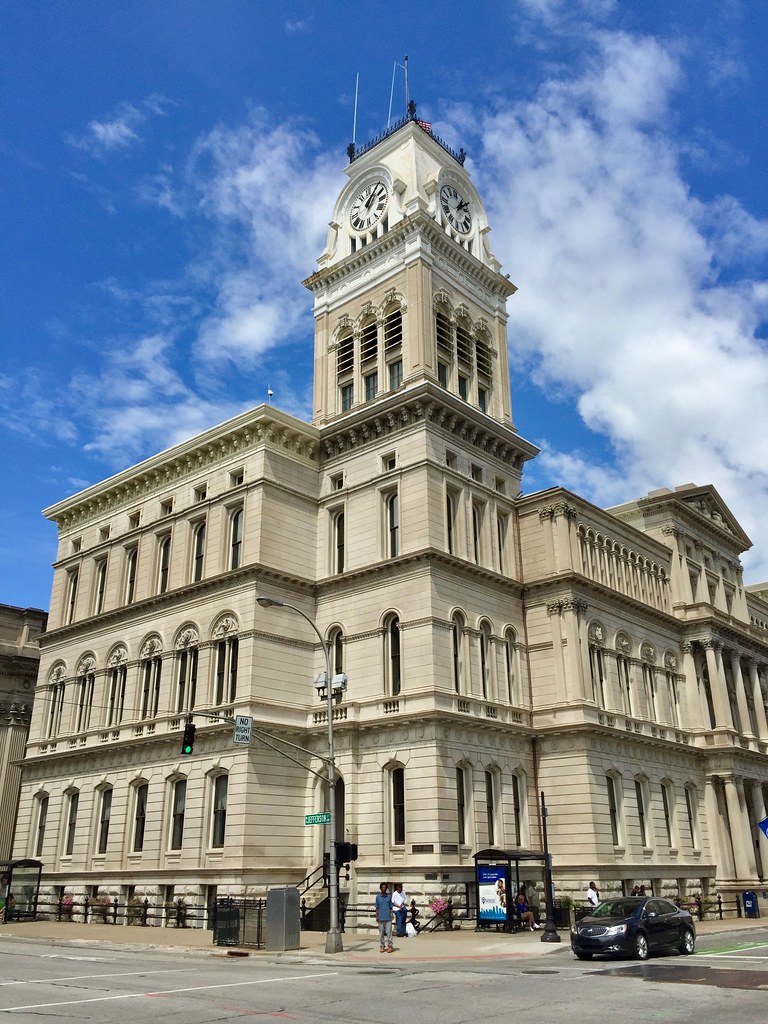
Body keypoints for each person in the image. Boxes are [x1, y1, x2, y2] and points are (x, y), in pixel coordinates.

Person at [374, 881, 394, 952]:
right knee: (381, 933)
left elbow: (391, 907)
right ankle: (382, 946)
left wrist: (392, 914)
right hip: (381, 917)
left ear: (386, 888)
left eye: (385, 887)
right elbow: (377, 907)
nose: (384, 889)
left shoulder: (389, 896)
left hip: (388, 917)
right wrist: (377, 916)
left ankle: (390, 946)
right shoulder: (378, 897)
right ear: (380, 888)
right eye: (382, 887)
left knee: (389, 933)